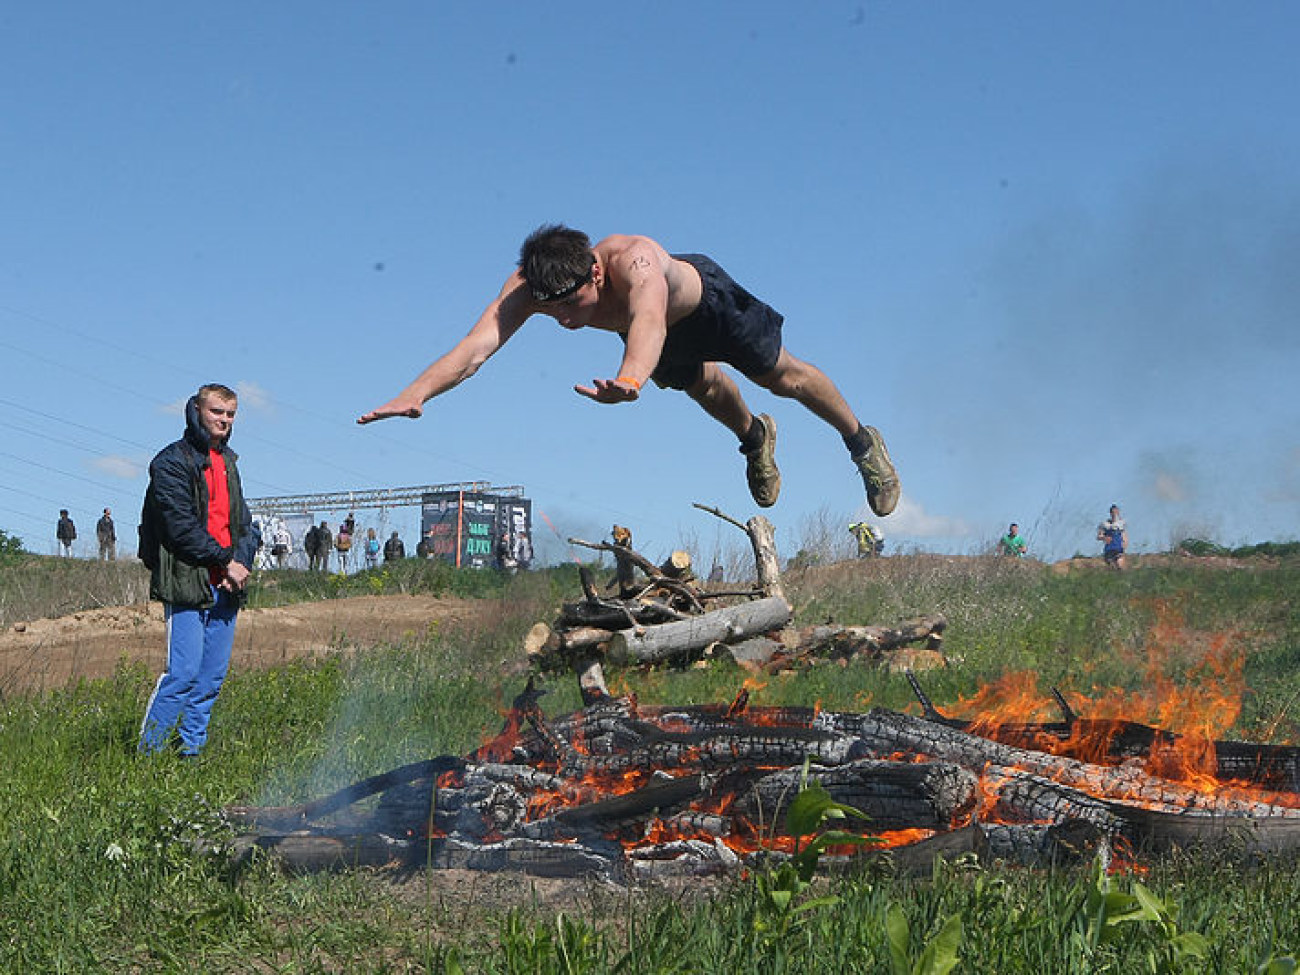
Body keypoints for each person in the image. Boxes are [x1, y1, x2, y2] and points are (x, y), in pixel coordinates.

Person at [358, 225, 900, 515]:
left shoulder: (635, 260)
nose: (567, 320)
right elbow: (475, 347)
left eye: (574, 305)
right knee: (705, 388)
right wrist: (416, 393)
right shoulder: (532, 286)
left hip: (707, 307)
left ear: (596, 270)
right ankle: (755, 439)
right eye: (554, 312)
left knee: (783, 378)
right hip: (648, 343)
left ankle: (861, 443)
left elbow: (647, 319)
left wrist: (633, 376)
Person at [137, 384, 260, 757]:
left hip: (227, 584)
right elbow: (180, 527)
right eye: (216, 412)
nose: (223, 420)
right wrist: (224, 562)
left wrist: (238, 562)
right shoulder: (171, 462)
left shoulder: (229, 463)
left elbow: (244, 523)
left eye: (230, 414)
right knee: (183, 675)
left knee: (210, 679)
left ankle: (190, 754)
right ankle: (149, 758)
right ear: (196, 410)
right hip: (189, 581)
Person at [1097, 504, 1127, 570]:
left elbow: (1124, 535)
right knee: (1112, 568)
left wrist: (1125, 544)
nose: (1114, 514)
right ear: (1110, 513)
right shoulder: (1105, 524)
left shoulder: (1121, 524)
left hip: (1118, 548)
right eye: (1113, 512)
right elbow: (1099, 536)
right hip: (1109, 549)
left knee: (1120, 566)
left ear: (1118, 512)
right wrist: (1104, 538)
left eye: (1116, 512)